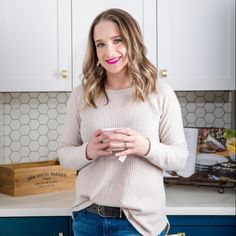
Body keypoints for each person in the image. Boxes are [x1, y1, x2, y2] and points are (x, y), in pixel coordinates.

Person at [57, 8, 188, 236]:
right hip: (88, 220)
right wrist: (89, 150)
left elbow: (180, 158)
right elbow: (65, 155)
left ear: (132, 41)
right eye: (100, 44)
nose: (109, 51)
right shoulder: (82, 94)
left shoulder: (160, 93)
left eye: (117, 40)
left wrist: (144, 147)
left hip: (139, 225)